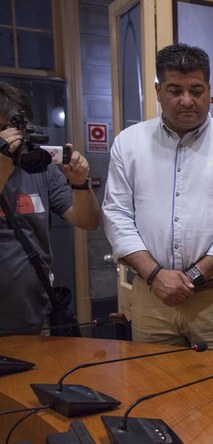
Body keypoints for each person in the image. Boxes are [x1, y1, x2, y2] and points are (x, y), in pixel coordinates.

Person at [102, 43, 213, 353]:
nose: (187, 101)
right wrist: (157, 276)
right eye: (175, 90)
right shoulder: (129, 144)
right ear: (158, 91)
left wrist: (191, 278)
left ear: (209, 89)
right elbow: (116, 216)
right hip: (151, 298)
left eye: (196, 90)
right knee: (154, 387)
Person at [0, 82, 100, 336]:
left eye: (14, 129)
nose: (10, 139)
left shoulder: (40, 167)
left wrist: (79, 184)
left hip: (36, 318)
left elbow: (87, 221)